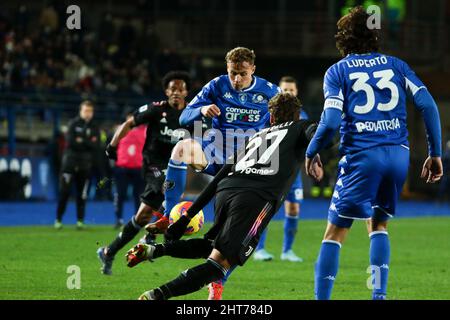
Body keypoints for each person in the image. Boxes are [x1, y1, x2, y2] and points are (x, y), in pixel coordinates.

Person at [304, 6, 443, 300]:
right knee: (378, 225)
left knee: (335, 232)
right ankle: (378, 296)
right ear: (376, 36)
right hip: (397, 156)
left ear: (343, 39)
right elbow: (428, 105)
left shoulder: (338, 71)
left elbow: (329, 122)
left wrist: (312, 149)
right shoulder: (397, 65)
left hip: (362, 156)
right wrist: (435, 153)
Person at [125, 93, 320, 300]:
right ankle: (155, 296)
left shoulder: (256, 137)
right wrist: (314, 152)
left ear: (271, 118)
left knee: (212, 245)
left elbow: (218, 178)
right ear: (297, 116)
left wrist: (185, 218)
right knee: (220, 265)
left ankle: (154, 250)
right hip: (255, 198)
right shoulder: (300, 127)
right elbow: (317, 133)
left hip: (225, 192)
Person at [146, 47, 281, 299]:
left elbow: (291, 121)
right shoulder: (217, 86)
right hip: (216, 152)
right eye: (232, 73)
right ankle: (168, 216)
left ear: (253, 69)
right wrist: (202, 110)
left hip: (247, 164)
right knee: (182, 148)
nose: (236, 79)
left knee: (233, 233)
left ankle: (218, 280)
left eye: (241, 73)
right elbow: (185, 116)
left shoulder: (271, 92)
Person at [96, 71, 191, 275]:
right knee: (169, 187)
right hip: (153, 165)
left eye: (180, 88)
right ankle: (150, 237)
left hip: (175, 166)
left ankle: (108, 251)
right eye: (172, 88)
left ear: (186, 92)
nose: (176, 92)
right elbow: (129, 123)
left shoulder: (191, 115)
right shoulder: (156, 110)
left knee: (142, 216)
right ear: (166, 91)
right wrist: (112, 146)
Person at [254, 76, 308, 262]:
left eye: (291, 90)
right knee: (264, 208)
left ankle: (287, 251)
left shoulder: (303, 116)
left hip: (293, 173)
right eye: (284, 90)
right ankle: (258, 249)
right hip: (271, 169)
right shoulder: (269, 114)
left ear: (297, 92)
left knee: (293, 209)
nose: (288, 93)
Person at [54, 101, 100, 230]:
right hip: (69, 164)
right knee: (64, 193)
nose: (87, 114)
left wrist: (81, 140)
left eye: (90, 111)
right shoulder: (73, 124)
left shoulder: (95, 126)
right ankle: (58, 219)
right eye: (85, 111)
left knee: (82, 194)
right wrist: (88, 141)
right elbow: (71, 142)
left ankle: (80, 221)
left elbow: (96, 146)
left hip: (85, 165)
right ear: (80, 111)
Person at [112, 110, 146, 229]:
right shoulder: (120, 130)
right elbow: (112, 147)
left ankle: (138, 220)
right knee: (120, 194)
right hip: (122, 168)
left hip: (139, 168)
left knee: (139, 196)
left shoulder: (146, 131)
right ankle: (118, 219)